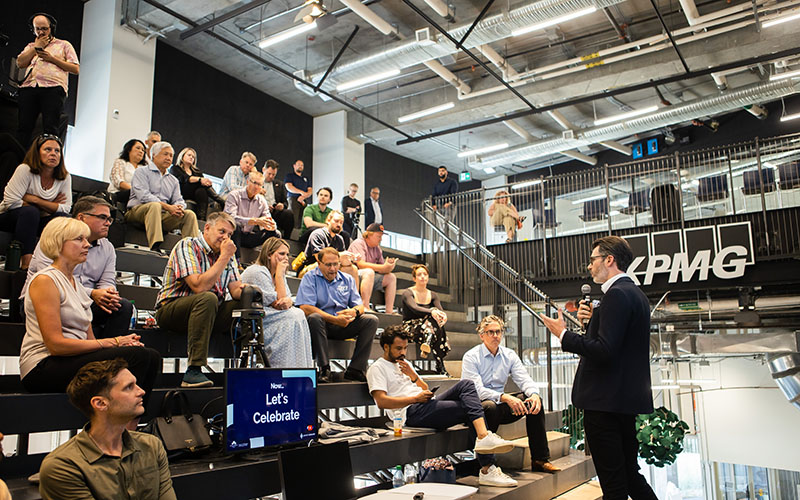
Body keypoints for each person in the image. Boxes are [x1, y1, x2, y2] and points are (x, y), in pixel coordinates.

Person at [538, 236, 657, 500]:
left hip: (604, 402)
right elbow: (617, 344)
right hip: (622, 401)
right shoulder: (634, 294)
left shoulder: (615, 295)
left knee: (614, 484)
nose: (590, 267)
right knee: (629, 476)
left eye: (593, 260)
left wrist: (563, 335)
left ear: (609, 260)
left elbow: (605, 351)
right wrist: (594, 322)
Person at [18, 217, 161, 395]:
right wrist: (114, 342)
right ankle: (121, 420)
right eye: (79, 239)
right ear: (58, 243)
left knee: (151, 356)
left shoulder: (75, 284)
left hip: (72, 359)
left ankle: (130, 421)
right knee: (139, 356)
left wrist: (121, 345)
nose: (87, 245)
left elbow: (89, 340)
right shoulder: (46, 280)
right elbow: (55, 345)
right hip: (43, 366)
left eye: (86, 239)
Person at [367, 325, 517, 476]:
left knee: (467, 384)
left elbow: (423, 386)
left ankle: (484, 438)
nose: (403, 352)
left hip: (424, 403)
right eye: (399, 348)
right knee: (472, 407)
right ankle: (487, 466)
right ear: (386, 347)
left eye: (405, 348)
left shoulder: (404, 364)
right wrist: (414, 399)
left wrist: (413, 375)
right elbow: (381, 401)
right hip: (410, 413)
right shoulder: (377, 368)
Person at [38, 359, 176, 500]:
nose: (141, 391)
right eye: (129, 387)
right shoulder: (62, 466)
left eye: (136, 384)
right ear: (101, 403)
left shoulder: (152, 445)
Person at [462, 315, 560, 487]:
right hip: (479, 407)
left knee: (534, 402)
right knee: (490, 407)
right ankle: (487, 464)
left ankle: (539, 459)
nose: (495, 336)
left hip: (501, 404)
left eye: (498, 332)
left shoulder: (509, 355)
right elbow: (475, 390)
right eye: (490, 332)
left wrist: (534, 394)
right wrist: (504, 397)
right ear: (482, 335)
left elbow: (524, 379)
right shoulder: (471, 357)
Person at [155, 212, 245, 388]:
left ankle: (247, 364)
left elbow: (235, 291)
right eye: (222, 231)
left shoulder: (227, 254)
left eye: (229, 234)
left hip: (207, 311)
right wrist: (224, 257)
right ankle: (194, 370)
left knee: (245, 302)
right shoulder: (187, 245)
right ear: (207, 228)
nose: (225, 237)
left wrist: (256, 293)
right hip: (172, 309)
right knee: (207, 298)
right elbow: (198, 286)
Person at [24, 196, 133, 339]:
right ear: (81, 217)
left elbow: (107, 280)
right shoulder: (57, 238)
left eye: (109, 219)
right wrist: (92, 293)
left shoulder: (108, 247)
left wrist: (107, 293)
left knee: (121, 306)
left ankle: (109, 358)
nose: (108, 223)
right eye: (102, 217)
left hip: (85, 302)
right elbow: (54, 282)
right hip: (49, 299)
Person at [295, 247, 378, 383]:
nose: (332, 268)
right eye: (328, 265)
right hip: (322, 326)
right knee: (314, 318)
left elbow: (360, 305)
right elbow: (306, 307)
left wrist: (354, 312)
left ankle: (356, 369)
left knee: (371, 320)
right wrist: (334, 319)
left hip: (343, 323)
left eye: (336, 264)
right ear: (319, 263)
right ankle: (324, 368)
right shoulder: (310, 278)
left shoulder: (348, 279)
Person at [0, 134, 72, 269]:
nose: (53, 154)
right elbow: (10, 202)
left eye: (57, 151)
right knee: (30, 212)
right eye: (47, 150)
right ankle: (26, 263)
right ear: (37, 153)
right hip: (9, 218)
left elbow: (65, 208)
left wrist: (34, 199)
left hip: (36, 219)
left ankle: (56, 265)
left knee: (62, 218)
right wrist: (49, 205)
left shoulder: (65, 177)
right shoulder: (25, 170)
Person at [240, 237, 313, 368]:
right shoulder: (257, 271)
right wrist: (280, 274)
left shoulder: (278, 274)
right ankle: (280, 366)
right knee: (293, 315)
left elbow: (287, 300)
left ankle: (298, 367)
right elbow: (278, 302)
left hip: (273, 315)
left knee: (298, 314)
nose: (286, 258)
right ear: (269, 254)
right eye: (281, 254)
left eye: (287, 254)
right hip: (256, 318)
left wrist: (288, 300)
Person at [15, 13, 79, 148]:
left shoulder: (63, 45)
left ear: (51, 28)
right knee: (23, 127)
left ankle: (47, 160)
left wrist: (52, 59)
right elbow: (20, 63)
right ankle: (19, 160)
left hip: (53, 88)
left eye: (44, 28)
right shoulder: (31, 46)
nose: (41, 32)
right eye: (37, 29)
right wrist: (35, 47)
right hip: (29, 87)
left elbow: (75, 68)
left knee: (50, 127)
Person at [125, 141, 199, 252]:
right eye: (165, 154)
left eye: (171, 155)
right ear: (154, 155)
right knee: (154, 206)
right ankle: (155, 247)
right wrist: (168, 207)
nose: (169, 158)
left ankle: (191, 252)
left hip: (161, 216)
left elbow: (179, 199)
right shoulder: (141, 172)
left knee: (189, 214)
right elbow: (144, 196)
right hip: (137, 212)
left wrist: (179, 207)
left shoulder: (173, 180)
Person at [399, 264, 450, 374]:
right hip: (411, 327)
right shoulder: (407, 293)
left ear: (428, 277)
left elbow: (440, 310)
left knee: (437, 323)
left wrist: (443, 316)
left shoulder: (433, 295)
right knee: (432, 319)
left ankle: (427, 343)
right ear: (414, 278)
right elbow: (415, 309)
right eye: (419, 275)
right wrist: (432, 311)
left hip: (428, 328)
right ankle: (440, 364)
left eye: (425, 274)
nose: (422, 277)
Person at [224, 171, 278, 259]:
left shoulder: (262, 201)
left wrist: (271, 225)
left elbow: (269, 219)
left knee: (275, 233)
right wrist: (254, 221)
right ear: (248, 181)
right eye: (254, 183)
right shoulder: (234, 195)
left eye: (260, 185)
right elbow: (230, 218)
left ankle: (266, 263)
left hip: (248, 236)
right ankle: (236, 261)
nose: (256, 187)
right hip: (232, 234)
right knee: (235, 226)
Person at [348, 223, 398, 315]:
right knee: (369, 272)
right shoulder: (358, 243)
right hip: (354, 276)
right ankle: (365, 306)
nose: (381, 239)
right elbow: (361, 264)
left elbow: (381, 269)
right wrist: (383, 267)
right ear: (369, 235)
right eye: (378, 236)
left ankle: (389, 311)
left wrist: (389, 267)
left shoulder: (377, 249)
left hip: (369, 279)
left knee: (391, 277)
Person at [170, 147, 224, 220]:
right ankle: (219, 200)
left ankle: (201, 218)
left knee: (201, 190)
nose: (191, 158)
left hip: (195, 194)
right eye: (189, 155)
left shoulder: (196, 171)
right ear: (182, 156)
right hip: (181, 192)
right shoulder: (175, 168)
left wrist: (206, 182)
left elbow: (203, 183)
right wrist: (200, 180)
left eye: (193, 157)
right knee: (199, 184)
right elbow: (183, 179)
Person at [108, 139, 148, 207]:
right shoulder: (120, 162)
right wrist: (136, 191)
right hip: (120, 194)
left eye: (143, 150)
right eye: (138, 148)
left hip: (139, 196)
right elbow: (118, 181)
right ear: (129, 150)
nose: (141, 151)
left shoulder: (144, 168)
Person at [262, 160, 294, 239]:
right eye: (269, 174)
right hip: (261, 211)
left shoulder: (279, 184)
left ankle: (286, 239)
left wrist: (282, 206)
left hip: (275, 211)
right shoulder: (257, 182)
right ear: (263, 170)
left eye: (273, 174)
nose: (271, 176)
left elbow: (285, 203)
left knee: (289, 214)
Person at [284, 160, 312, 229]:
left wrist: (303, 196)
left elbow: (310, 190)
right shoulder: (290, 176)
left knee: (303, 220)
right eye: (299, 164)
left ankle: (300, 237)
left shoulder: (306, 178)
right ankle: (292, 238)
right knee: (293, 220)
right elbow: (289, 187)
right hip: (293, 199)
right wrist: (301, 192)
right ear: (294, 166)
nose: (300, 166)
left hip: (303, 201)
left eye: (302, 165)